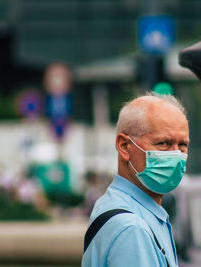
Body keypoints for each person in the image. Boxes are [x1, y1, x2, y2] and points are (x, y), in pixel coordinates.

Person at [82, 92, 190, 267]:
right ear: (124, 146)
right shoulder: (132, 229)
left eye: (183, 145)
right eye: (163, 143)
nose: (176, 155)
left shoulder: (118, 204)